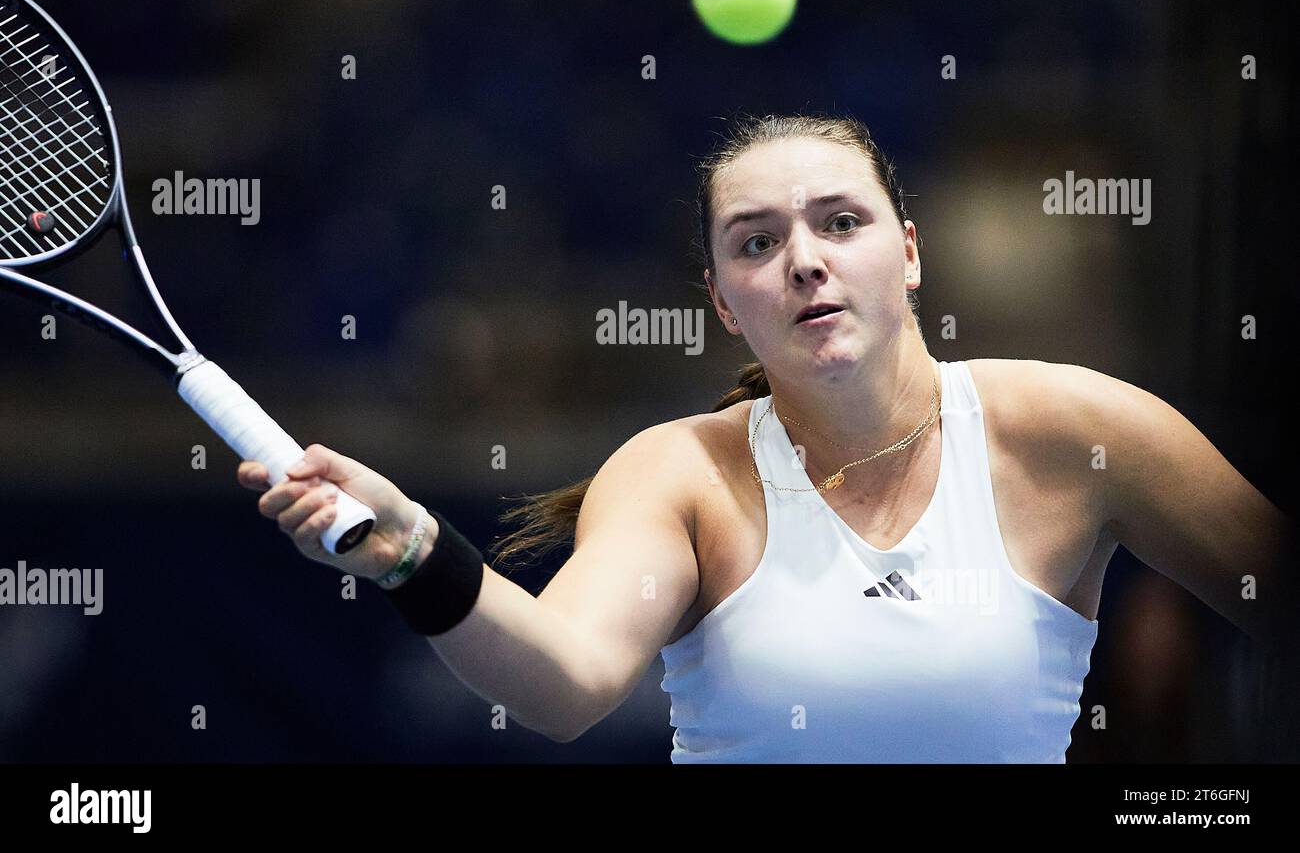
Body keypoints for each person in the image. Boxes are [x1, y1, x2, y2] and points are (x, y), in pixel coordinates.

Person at [237, 113, 1296, 762]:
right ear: (723, 302)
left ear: (909, 252)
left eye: (841, 221)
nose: (803, 259)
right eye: (756, 241)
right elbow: (564, 681)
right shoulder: (678, 471)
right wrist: (416, 551)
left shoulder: (1076, 430)